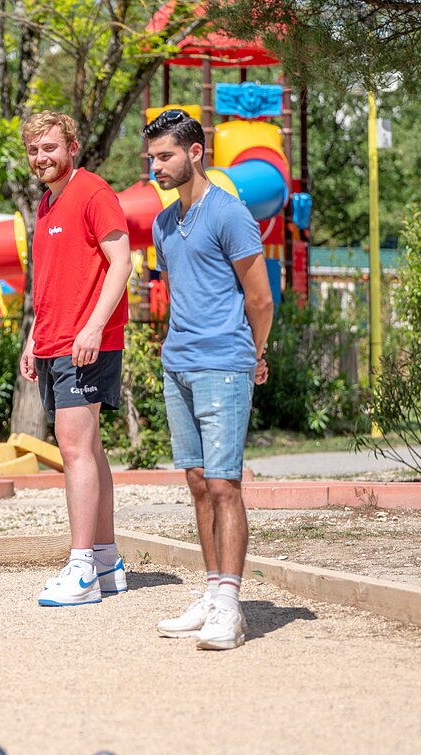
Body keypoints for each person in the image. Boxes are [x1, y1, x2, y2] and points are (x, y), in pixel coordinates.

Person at [144, 110, 274, 649]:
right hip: (179, 365)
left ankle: (231, 605)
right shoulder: (163, 223)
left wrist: (256, 353)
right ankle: (212, 590)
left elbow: (260, 298)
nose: (156, 167)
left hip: (224, 365)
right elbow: (184, 293)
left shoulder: (230, 214)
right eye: (151, 158)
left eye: (165, 156)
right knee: (198, 485)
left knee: (225, 485)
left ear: (195, 153)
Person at [19, 112, 133, 607]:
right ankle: (107, 562)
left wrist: (92, 326)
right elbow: (50, 283)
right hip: (54, 342)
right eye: (34, 150)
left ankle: (82, 566)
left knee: (75, 450)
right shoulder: (46, 204)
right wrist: (32, 338)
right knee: (89, 449)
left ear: (72, 147)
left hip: (86, 343)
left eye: (49, 147)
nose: (41, 158)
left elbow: (122, 260)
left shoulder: (92, 193)